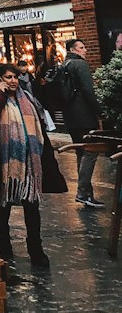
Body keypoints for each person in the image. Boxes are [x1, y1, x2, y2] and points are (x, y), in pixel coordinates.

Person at [0, 62, 64, 266]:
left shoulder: (27, 98)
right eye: (8, 77)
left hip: (30, 163)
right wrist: (0, 95)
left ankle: (36, 249)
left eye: (15, 77)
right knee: (2, 207)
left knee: (32, 207)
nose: (13, 81)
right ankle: (4, 247)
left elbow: (38, 126)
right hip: (4, 164)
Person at [61, 38, 104, 208]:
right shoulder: (80, 65)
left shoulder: (63, 65)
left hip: (70, 117)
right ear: (73, 49)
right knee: (91, 152)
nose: (85, 50)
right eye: (82, 47)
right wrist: (100, 111)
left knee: (81, 152)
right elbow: (88, 90)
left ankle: (87, 194)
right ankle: (82, 191)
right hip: (84, 116)